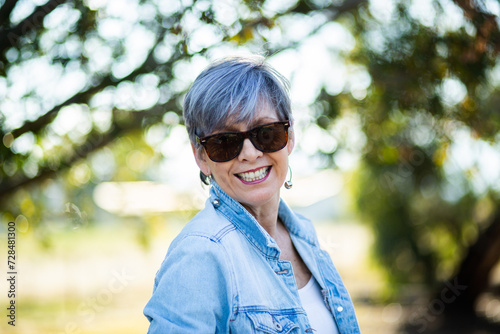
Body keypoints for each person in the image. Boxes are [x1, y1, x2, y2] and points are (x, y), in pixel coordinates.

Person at [143, 56, 360, 333]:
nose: (250, 154)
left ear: (290, 135)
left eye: (266, 133)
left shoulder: (303, 234)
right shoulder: (200, 254)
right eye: (225, 141)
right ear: (201, 157)